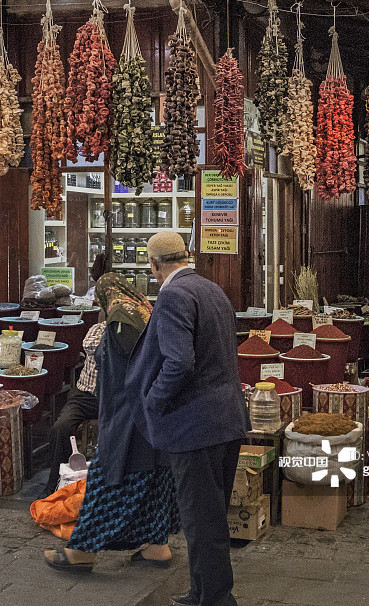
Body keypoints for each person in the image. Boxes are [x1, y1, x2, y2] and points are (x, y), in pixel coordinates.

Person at [126, 231, 249, 606]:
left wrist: (154, 401)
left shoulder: (173, 296)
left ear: (154, 265)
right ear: (187, 256)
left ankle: (214, 598)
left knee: (201, 520)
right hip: (227, 420)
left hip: (195, 426)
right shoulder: (213, 290)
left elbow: (179, 362)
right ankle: (202, 592)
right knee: (208, 518)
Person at [43, 273, 180, 572]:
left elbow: (132, 369)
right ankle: (157, 548)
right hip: (149, 417)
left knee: (107, 482)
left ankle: (81, 553)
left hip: (127, 416)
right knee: (153, 480)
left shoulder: (121, 318)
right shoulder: (144, 311)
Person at [42, 321, 104, 497]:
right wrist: (117, 338)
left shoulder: (136, 330)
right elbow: (89, 345)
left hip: (113, 398)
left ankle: (100, 489)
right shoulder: (99, 328)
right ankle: (55, 485)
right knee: (61, 427)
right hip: (85, 396)